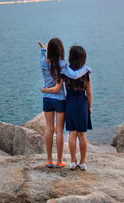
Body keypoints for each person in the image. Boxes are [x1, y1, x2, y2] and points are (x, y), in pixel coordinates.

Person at [38, 38, 90, 168]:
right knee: (59, 131)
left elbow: (44, 55)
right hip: (59, 99)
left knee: (49, 129)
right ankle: (60, 160)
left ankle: (49, 159)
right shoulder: (61, 65)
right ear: (61, 50)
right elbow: (73, 75)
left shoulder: (43, 62)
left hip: (47, 99)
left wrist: (44, 49)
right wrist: (87, 69)